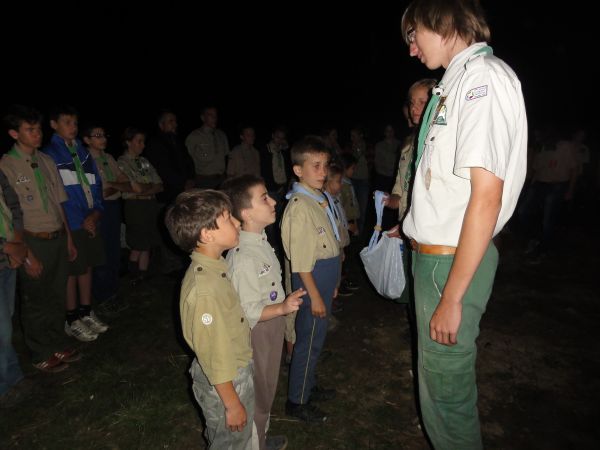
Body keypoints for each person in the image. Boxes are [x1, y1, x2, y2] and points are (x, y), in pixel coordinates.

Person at [400, 1, 527, 448]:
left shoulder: (482, 82)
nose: (412, 49)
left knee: (447, 390)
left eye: (413, 34)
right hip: (436, 260)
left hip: (449, 265)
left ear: (442, 20)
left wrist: (452, 296)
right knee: (437, 387)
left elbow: (486, 196)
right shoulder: (455, 85)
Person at [165, 189, 253, 450]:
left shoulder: (216, 267)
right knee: (229, 442)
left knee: (240, 438)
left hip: (234, 369)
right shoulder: (205, 290)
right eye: (228, 218)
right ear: (206, 234)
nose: (237, 222)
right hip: (225, 382)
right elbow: (213, 353)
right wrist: (232, 403)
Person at [223, 174, 304, 450]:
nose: (273, 202)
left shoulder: (261, 241)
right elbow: (247, 310)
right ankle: (254, 443)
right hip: (257, 332)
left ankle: (262, 435)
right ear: (246, 213)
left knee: (267, 387)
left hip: (271, 327)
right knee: (258, 392)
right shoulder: (243, 256)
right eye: (264, 198)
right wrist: (282, 307)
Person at [2, 105, 81, 372]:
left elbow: (60, 204)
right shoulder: (6, 165)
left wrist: (68, 238)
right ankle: (39, 352)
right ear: (14, 133)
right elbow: (12, 214)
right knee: (36, 298)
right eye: (30, 130)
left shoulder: (46, 161)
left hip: (56, 236)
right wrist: (27, 254)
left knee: (56, 294)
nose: (37, 135)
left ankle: (56, 341)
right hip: (31, 240)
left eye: (38, 129)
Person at [280, 136, 340, 423]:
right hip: (311, 281)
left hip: (324, 279)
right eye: (315, 165)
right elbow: (302, 263)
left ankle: (308, 385)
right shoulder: (300, 207)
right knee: (308, 340)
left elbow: (327, 243)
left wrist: (334, 283)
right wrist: (315, 295)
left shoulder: (318, 199)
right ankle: (297, 401)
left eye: (325, 165)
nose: (323, 171)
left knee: (316, 337)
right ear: (298, 170)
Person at [43, 105, 108, 342]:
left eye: (75, 123)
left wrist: (95, 214)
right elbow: (56, 197)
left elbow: (96, 187)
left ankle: (85, 310)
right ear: (54, 125)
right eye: (67, 122)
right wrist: (77, 222)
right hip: (71, 223)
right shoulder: (50, 154)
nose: (73, 128)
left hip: (90, 221)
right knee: (72, 270)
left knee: (87, 265)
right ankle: (71, 319)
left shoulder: (83, 154)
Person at [82, 124, 132, 313]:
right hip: (99, 209)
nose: (103, 139)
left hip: (113, 206)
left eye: (104, 135)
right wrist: (117, 186)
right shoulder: (86, 159)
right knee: (101, 252)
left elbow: (124, 181)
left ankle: (112, 290)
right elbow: (99, 191)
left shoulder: (108, 157)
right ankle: (103, 295)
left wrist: (114, 186)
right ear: (87, 140)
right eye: (97, 136)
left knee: (113, 249)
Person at [117, 127, 163, 283]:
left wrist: (144, 189)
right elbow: (131, 187)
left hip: (150, 204)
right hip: (134, 205)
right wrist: (148, 188)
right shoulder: (121, 163)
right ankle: (132, 272)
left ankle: (142, 274)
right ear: (128, 142)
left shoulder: (144, 162)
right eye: (139, 141)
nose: (143, 145)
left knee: (148, 241)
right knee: (138, 241)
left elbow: (159, 185)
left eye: (143, 141)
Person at [185, 106, 230, 189]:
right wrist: (189, 180)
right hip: (204, 181)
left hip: (222, 179)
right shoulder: (194, 136)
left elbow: (226, 157)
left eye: (215, 115)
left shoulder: (222, 135)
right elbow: (187, 160)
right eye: (210, 115)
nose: (214, 117)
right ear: (203, 118)